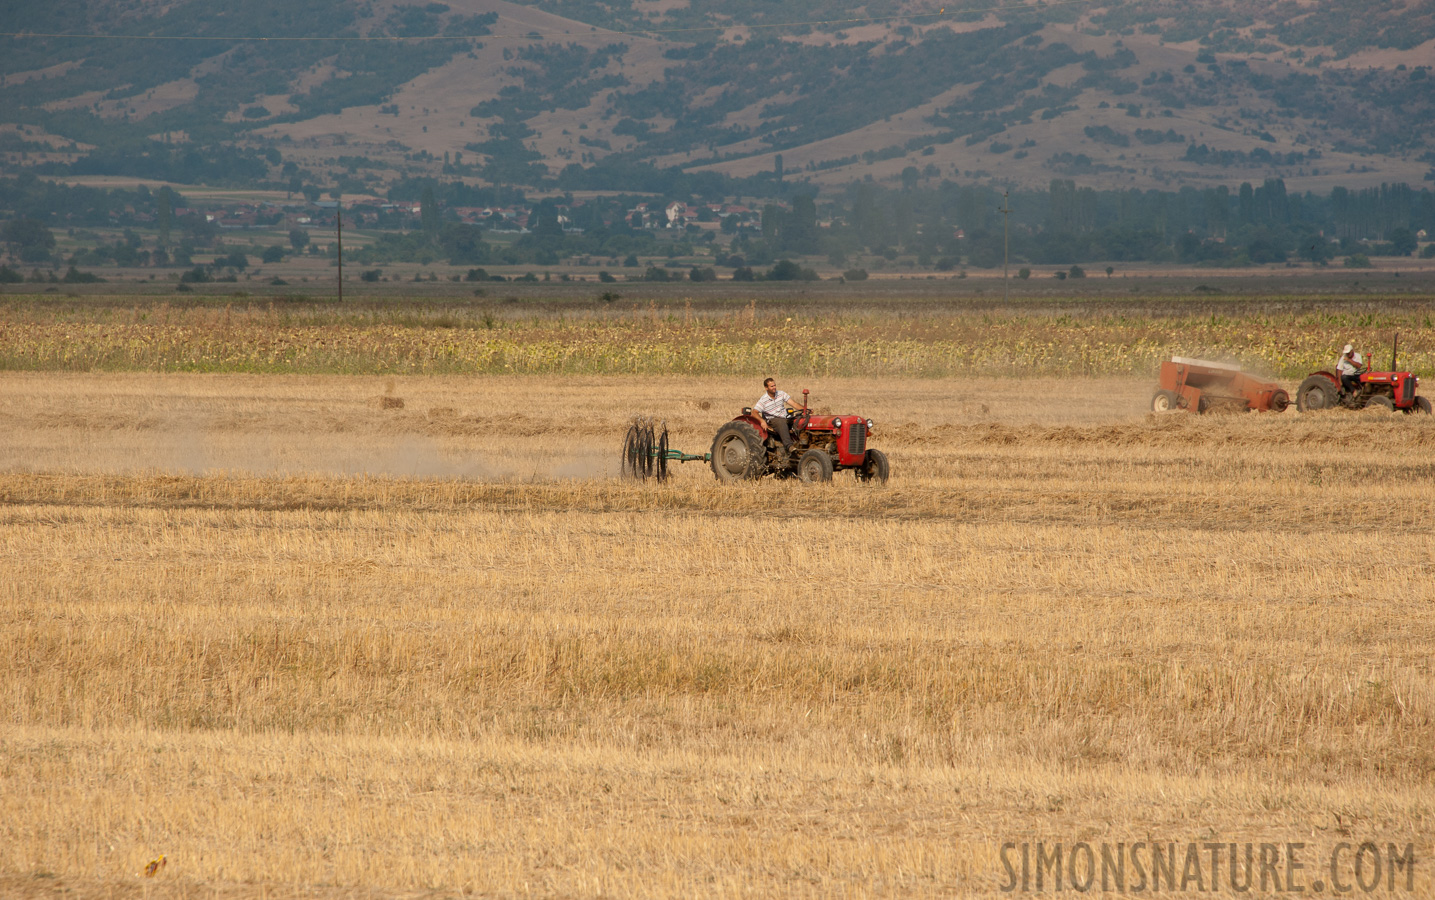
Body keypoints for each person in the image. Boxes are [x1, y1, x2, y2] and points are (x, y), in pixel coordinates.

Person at [753, 377, 798, 451]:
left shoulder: (781, 394)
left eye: (774, 385)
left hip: (785, 417)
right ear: (766, 388)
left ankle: (799, 442)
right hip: (773, 420)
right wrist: (762, 421)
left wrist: (805, 410)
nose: (774, 388)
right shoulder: (763, 400)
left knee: (798, 419)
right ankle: (789, 446)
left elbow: (794, 404)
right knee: (781, 422)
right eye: (772, 386)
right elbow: (754, 412)